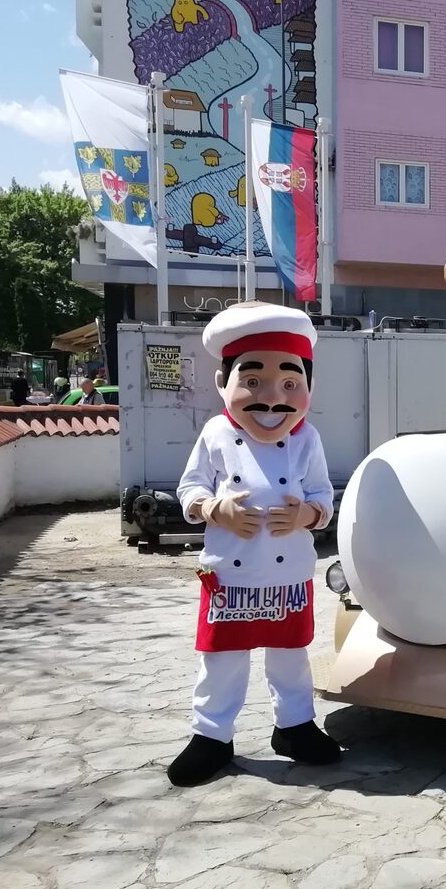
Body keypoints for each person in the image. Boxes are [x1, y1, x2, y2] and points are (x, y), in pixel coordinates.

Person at [168, 302, 339, 787]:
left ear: (308, 388)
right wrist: (213, 508)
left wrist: (307, 514)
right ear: (223, 383)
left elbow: (323, 495)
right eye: (253, 380)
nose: (272, 398)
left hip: (288, 575)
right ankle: (211, 736)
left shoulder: (308, 439)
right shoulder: (216, 433)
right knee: (222, 659)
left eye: (290, 383)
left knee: (290, 655)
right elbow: (189, 487)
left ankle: (295, 727)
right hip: (230, 573)